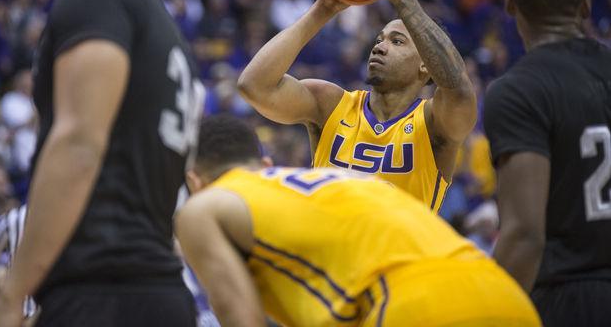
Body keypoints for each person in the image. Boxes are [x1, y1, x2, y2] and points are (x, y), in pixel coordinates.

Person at [0, 0, 204, 327]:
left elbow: (79, 144)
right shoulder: (171, 37)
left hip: (99, 292)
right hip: (163, 292)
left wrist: (13, 296)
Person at [176, 115, 541, 327]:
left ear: (194, 180)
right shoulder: (337, 179)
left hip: (413, 309)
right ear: (266, 166)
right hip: (507, 297)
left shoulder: (204, 206)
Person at [238, 0, 476, 212]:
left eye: (397, 42)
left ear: (427, 64)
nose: (380, 47)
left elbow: (458, 87)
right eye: (379, 40)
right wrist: (322, 10)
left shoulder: (435, 122)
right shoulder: (332, 104)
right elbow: (254, 86)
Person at [484, 0, 611, 326]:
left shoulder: (518, 90)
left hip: (568, 297)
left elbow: (524, 235)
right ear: (586, 7)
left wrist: (482, 309)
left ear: (511, 6)